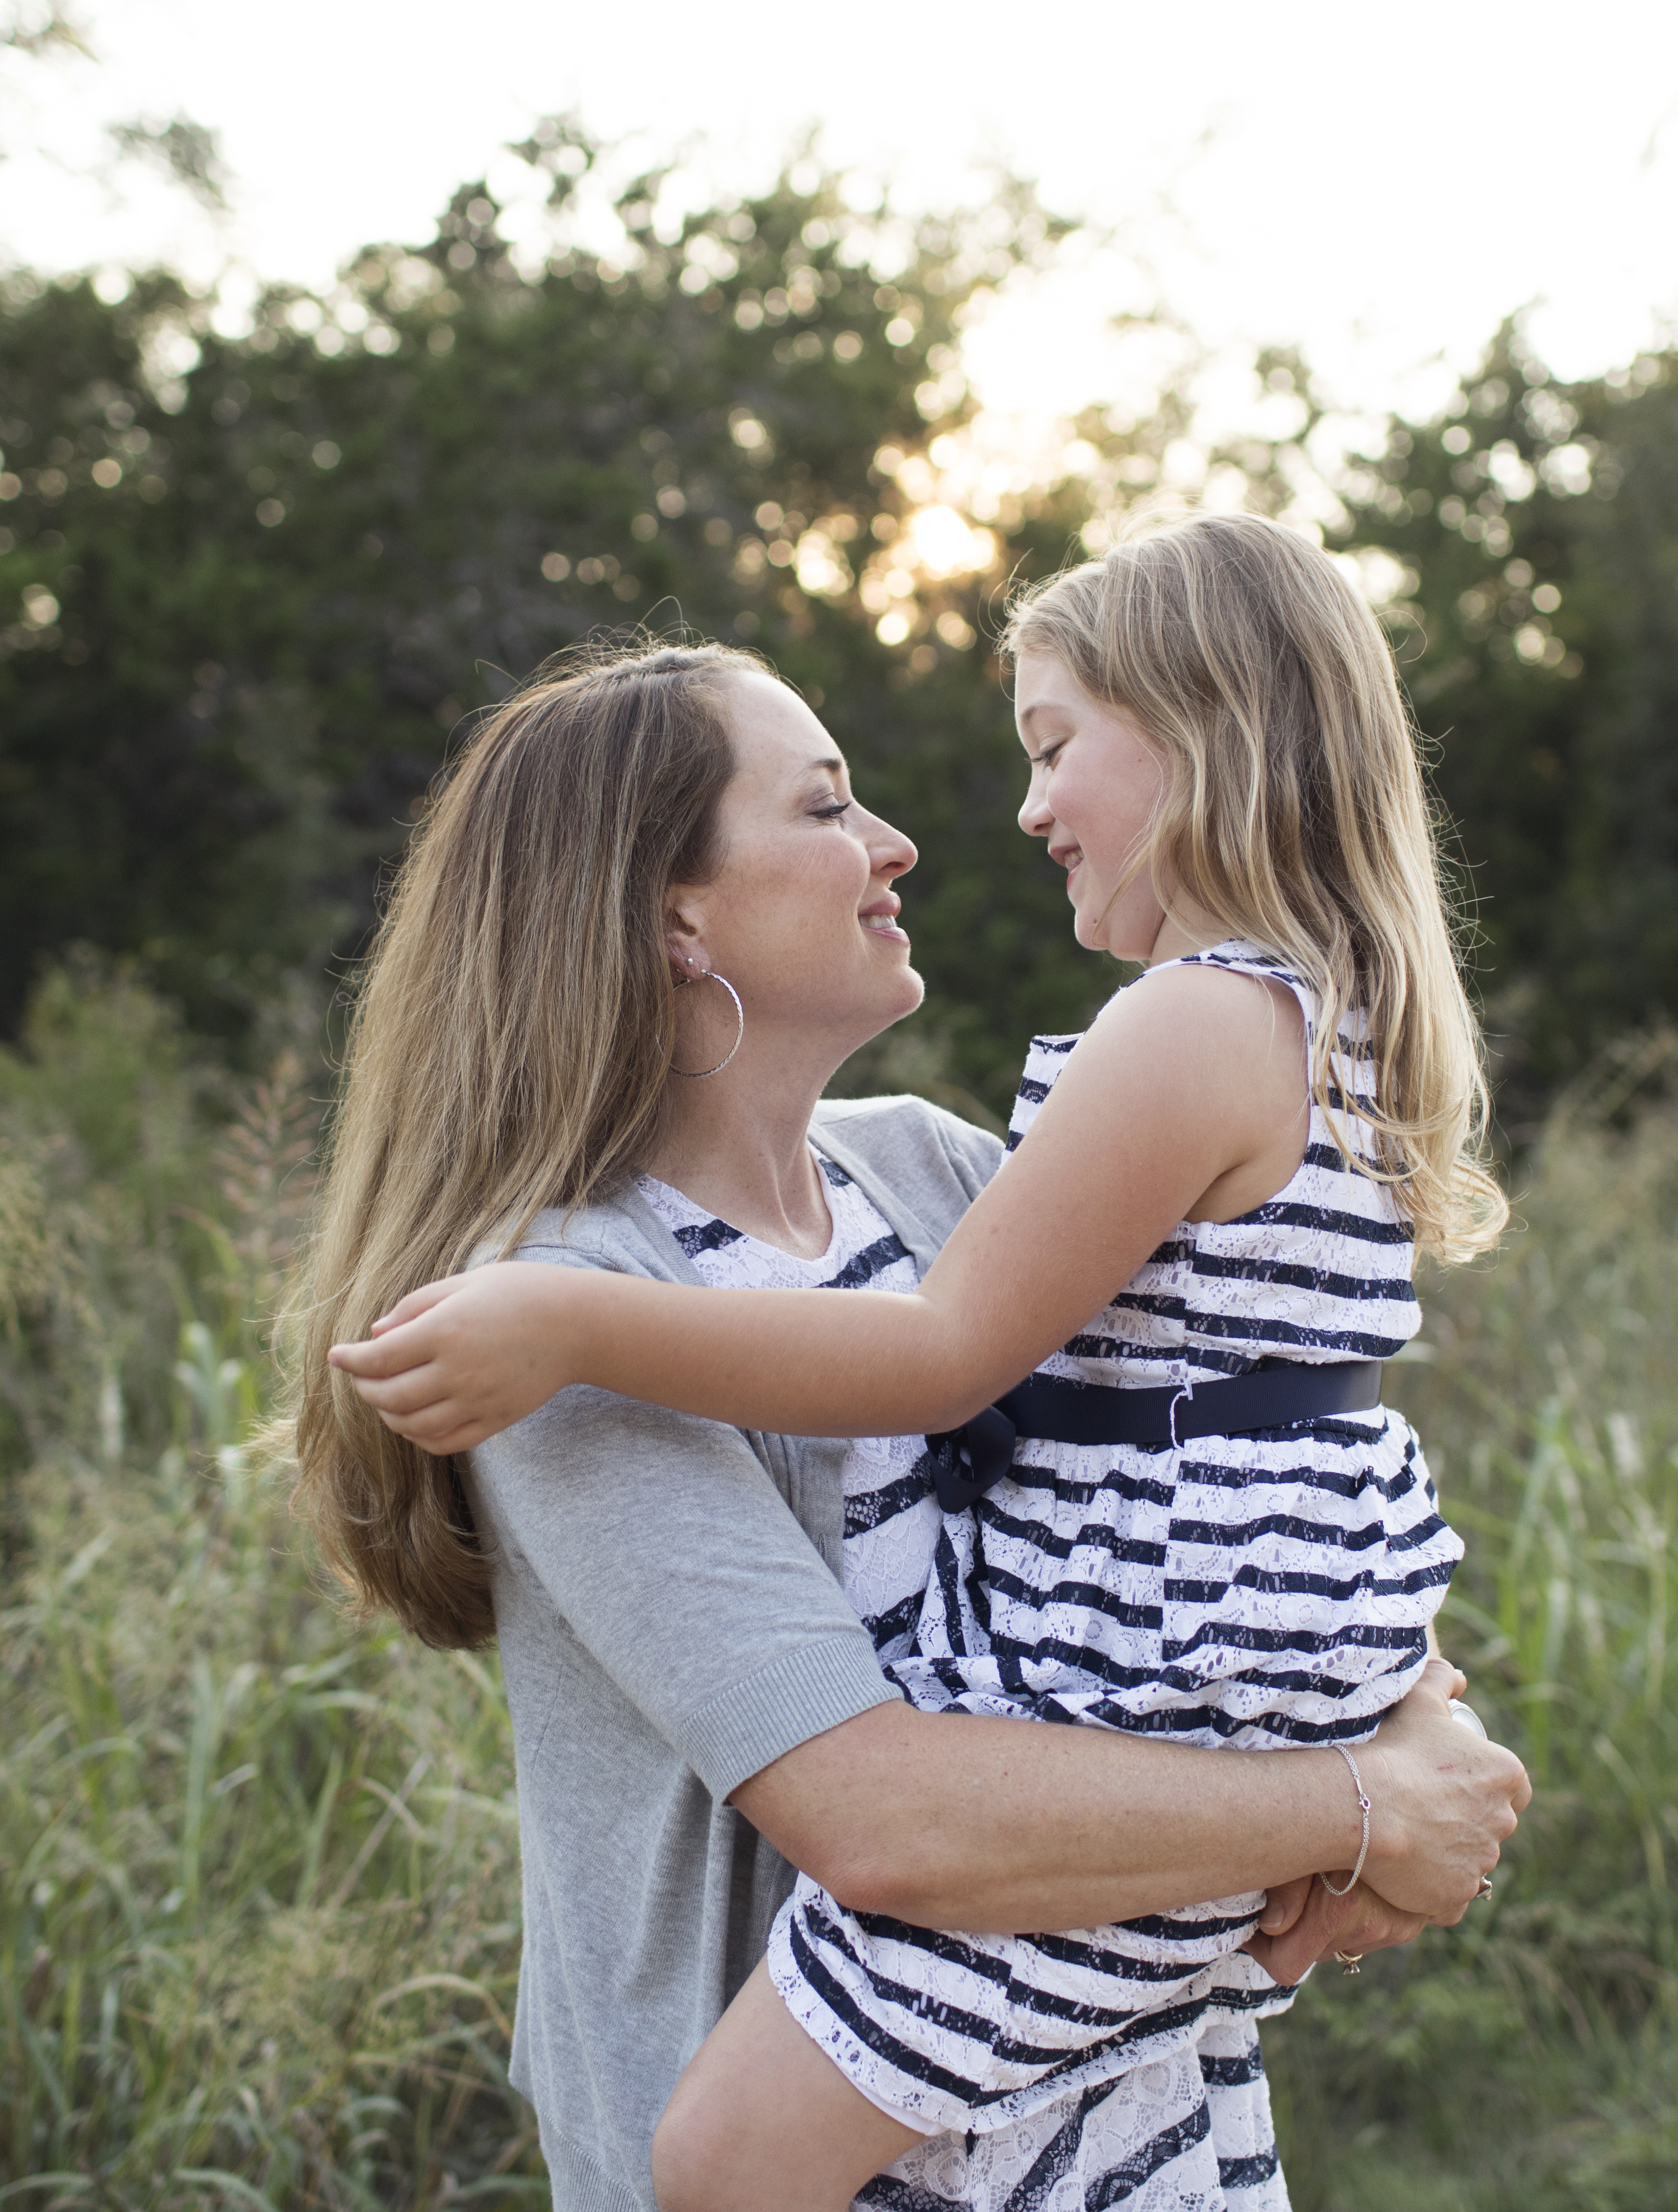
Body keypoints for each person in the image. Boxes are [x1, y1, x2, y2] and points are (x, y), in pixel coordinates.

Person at [337, 513, 1515, 2212]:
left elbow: (1224, 1460)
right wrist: (1350, 1805)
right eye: (823, 806)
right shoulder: (569, 1306)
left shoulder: (925, 1172)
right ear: (673, 918)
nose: (901, 842)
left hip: (1107, 2134)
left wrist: (1414, 1734)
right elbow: (886, 1823)